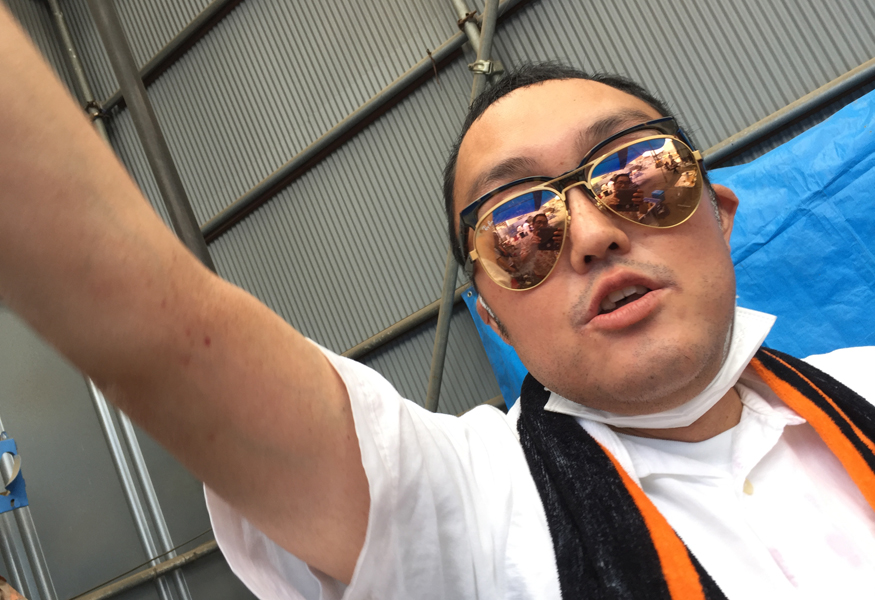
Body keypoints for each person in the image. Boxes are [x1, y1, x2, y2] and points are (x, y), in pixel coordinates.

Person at [0, 7, 872, 598]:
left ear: (719, 213)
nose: (592, 234)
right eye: (520, 228)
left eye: (636, 174)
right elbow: (153, 321)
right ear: (490, 314)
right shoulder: (472, 511)